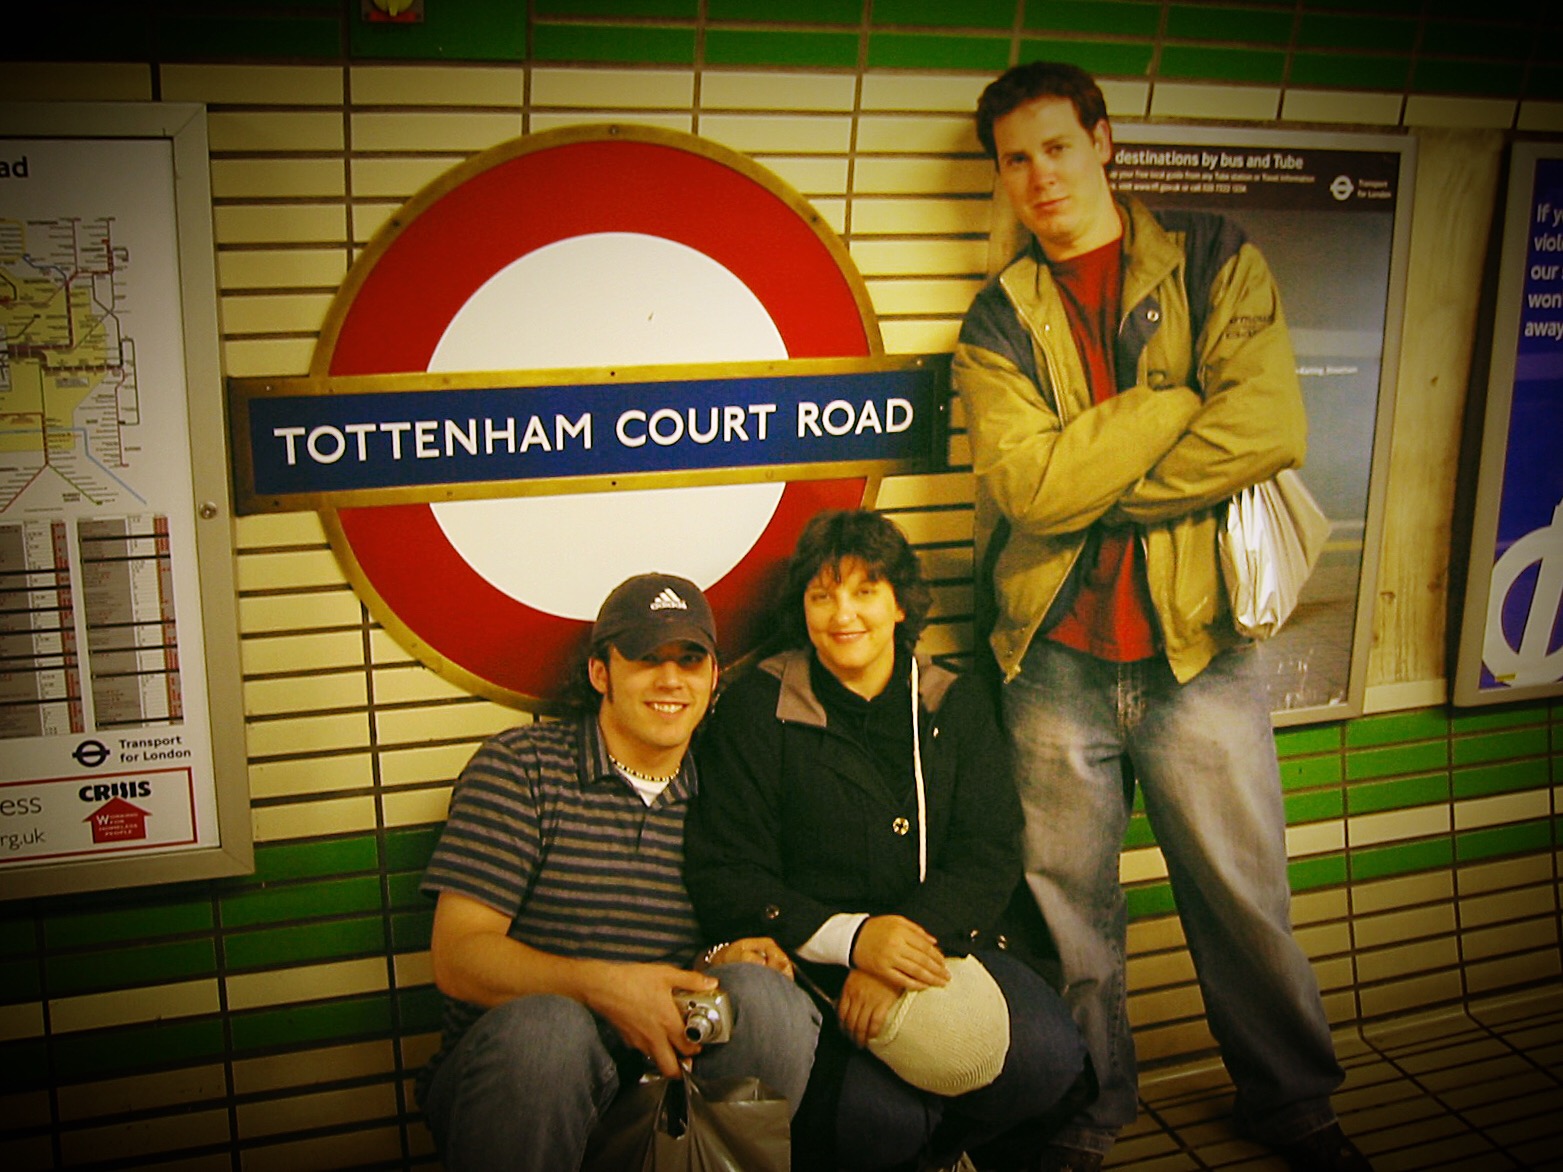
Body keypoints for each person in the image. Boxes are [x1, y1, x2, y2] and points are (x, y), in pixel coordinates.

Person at [951, 61, 1369, 1172]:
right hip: (1053, 660)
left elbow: (1268, 426)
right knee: (1069, 919)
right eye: (1015, 159)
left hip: (1199, 649)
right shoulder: (998, 318)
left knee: (1246, 903)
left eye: (1056, 146)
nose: (1039, 176)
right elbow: (1030, 490)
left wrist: (1098, 485)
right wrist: (1172, 400)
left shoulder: (1211, 256)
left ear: (1102, 141)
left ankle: (1293, 1107)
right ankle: (1087, 1115)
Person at [684, 509, 1091, 1172]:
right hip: (812, 965)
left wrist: (897, 951)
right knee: (876, 1123)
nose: (842, 614)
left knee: (1050, 1058)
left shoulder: (953, 700)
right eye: (822, 596)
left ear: (900, 604)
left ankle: (941, 1151)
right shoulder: (758, 706)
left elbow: (988, 852)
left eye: (865, 591)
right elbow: (726, 873)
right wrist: (853, 942)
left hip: (938, 945)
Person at [416, 572, 822, 1172]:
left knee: (770, 1002)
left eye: (689, 660)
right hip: (523, 1082)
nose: (670, 679)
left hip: (663, 1092)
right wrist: (608, 989)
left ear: (714, 678)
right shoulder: (521, 768)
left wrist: (722, 958)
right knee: (549, 1031)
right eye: (646, 658)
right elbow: (458, 957)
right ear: (600, 672)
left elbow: (705, 962)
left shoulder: (727, 785)